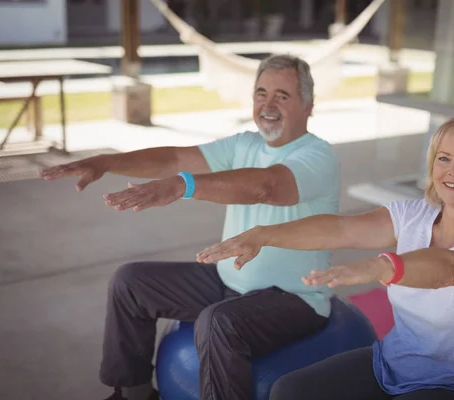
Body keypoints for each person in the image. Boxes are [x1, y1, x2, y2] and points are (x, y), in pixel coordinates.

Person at [39, 54, 341, 400]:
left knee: (217, 322)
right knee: (130, 283)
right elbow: (174, 159)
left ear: (309, 106)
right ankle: (134, 395)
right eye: (261, 93)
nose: (268, 105)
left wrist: (183, 186)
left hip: (294, 298)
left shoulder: (317, 156)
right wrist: (108, 161)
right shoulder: (245, 144)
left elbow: (267, 186)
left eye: (282, 96)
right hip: (228, 282)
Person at [197, 114, 454, 400]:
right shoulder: (412, 215)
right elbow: (340, 230)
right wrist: (264, 234)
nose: (453, 171)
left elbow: (450, 268)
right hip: (391, 363)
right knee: (289, 391)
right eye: (444, 158)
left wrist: (383, 266)